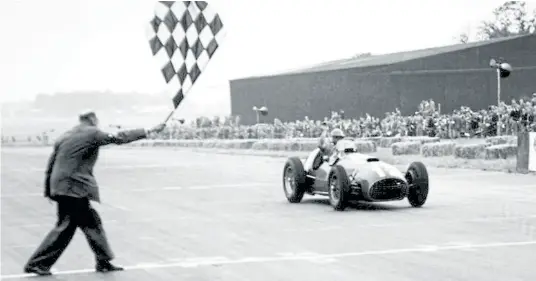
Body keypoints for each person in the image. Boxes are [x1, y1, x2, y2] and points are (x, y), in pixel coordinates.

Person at [23, 111, 166, 276]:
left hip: (62, 186)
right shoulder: (92, 132)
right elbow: (118, 137)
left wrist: (48, 189)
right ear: (93, 119)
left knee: (90, 222)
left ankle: (103, 260)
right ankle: (38, 263)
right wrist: (148, 131)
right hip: (74, 187)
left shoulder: (65, 135)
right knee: (68, 227)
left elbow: (51, 164)